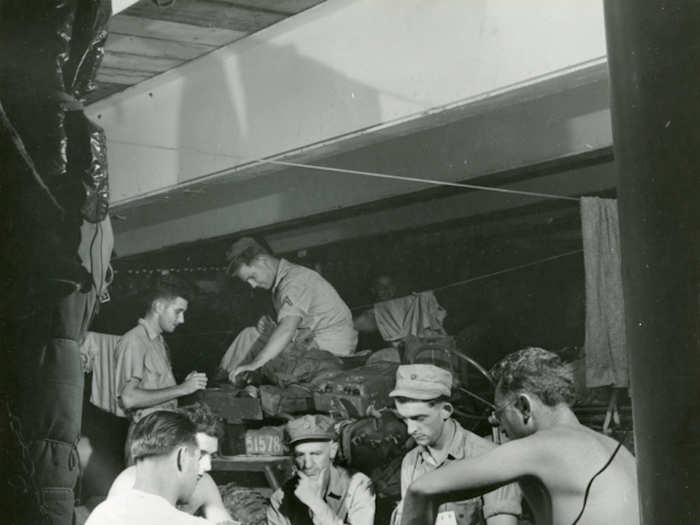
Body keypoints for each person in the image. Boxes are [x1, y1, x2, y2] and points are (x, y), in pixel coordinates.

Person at [399, 348, 639, 525]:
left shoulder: (541, 447)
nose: (495, 421)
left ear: (524, 407)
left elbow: (421, 490)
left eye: (500, 412)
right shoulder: (618, 448)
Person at [390, 364, 521, 525]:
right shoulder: (411, 462)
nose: (410, 430)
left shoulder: (491, 459)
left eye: (419, 418)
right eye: (405, 419)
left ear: (445, 410)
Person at [225, 237, 357, 381]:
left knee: (269, 366)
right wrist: (271, 324)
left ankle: (232, 380)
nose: (252, 285)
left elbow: (288, 327)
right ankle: (228, 378)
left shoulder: (294, 280)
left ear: (262, 260)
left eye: (252, 277)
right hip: (310, 340)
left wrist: (254, 364)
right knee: (250, 334)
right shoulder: (283, 280)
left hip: (330, 349)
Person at [114, 276, 208, 462]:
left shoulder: (159, 342)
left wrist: (185, 385)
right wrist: (182, 389)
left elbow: (158, 390)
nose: (182, 320)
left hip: (162, 435)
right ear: (158, 307)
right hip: (146, 439)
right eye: (178, 312)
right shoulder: (135, 340)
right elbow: (129, 398)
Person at [86, 410, 227, 525]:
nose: (207, 466)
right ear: (182, 456)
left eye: (211, 456)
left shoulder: (102, 512)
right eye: (200, 455)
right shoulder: (127, 480)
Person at [266, 414, 375, 525]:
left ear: (333, 450)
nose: (308, 464)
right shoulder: (281, 498)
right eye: (300, 455)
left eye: (316, 454)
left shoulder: (357, 485)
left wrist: (315, 503)